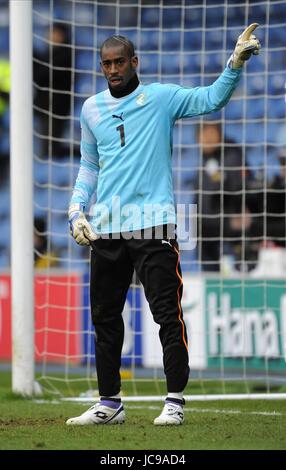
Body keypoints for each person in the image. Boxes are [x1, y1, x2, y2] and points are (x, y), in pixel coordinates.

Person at [67, 26, 260, 426]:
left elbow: (210, 98)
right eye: (107, 63)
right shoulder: (90, 110)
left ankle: (174, 401)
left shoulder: (159, 98)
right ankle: (110, 403)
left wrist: (234, 64)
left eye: (120, 61)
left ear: (134, 62)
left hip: (154, 226)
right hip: (107, 229)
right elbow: (90, 165)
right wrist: (75, 208)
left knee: (166, 315)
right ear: (101, 66)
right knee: (105, 317)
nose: (114, 69)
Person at [193, 121, 253, 272]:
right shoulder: (207, 158)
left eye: (209, 135)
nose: (205, 141)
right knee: (209, 270)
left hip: (227, 227)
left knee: (231, 271)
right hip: (206, 227)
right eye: (202, 137)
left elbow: (240, 186)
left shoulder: (232, 155)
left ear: (218, 134)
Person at [33, 23, 72, 157]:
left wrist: (32, 59)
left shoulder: (65, 54)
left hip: (55, 108)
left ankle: (88, 156)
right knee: (47, 149)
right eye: (50, 33)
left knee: (50, 150)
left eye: (55, 33)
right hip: (44, 107)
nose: (51, 36)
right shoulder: (48, 53)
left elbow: (43, 75)